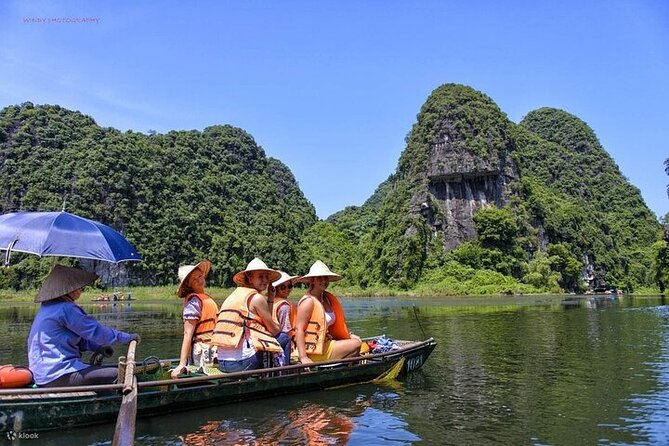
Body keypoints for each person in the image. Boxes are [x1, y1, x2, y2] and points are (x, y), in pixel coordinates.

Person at [27, 264, 141, 387]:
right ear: (69, 290)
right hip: (58, 374)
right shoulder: (66, 308)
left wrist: (98, 347)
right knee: (117, 374)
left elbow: (78, 339)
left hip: (42, 375)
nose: (80, 289)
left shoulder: (47, 308)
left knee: (105, 372)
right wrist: (127, 338)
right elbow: (96, 332)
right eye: (78, 287)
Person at [211, 258, 284, 372]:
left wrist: (270, 298)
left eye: (266, 277)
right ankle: (284, 377)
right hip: (242, 363)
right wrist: (279, 326)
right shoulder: (256, 298)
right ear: (250, 278)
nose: (265, 280)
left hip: (222, 362)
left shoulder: (234, 295)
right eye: (260, 276)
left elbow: (264, 326)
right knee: (284, 337)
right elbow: (273, 331)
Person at [294, 260, 361, 365]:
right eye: (320, 278)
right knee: (356, 344)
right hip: (315, 350)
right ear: (312, 280)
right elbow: (299, 329)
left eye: (325, 278)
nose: (324, 281)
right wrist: (303, 357)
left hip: (326, 343)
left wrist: (349, 334)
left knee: (356, 339)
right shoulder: (308, 301)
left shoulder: (327, 298)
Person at [171, 260, 219, 379]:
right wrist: (182, 364)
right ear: (188, 285)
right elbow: (188, 333)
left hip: (213, 348)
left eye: (200, 276)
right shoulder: (194, 301)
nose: (199, 280)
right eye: (194, 279)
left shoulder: (206, 298)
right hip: (202, 351)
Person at [268, 270, 299, 362]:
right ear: (276, 288)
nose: (287, 289)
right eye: (283, 287)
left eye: (289, 286)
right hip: (283, 343)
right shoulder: (284, 306)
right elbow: (286, 330)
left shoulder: (269, 302)